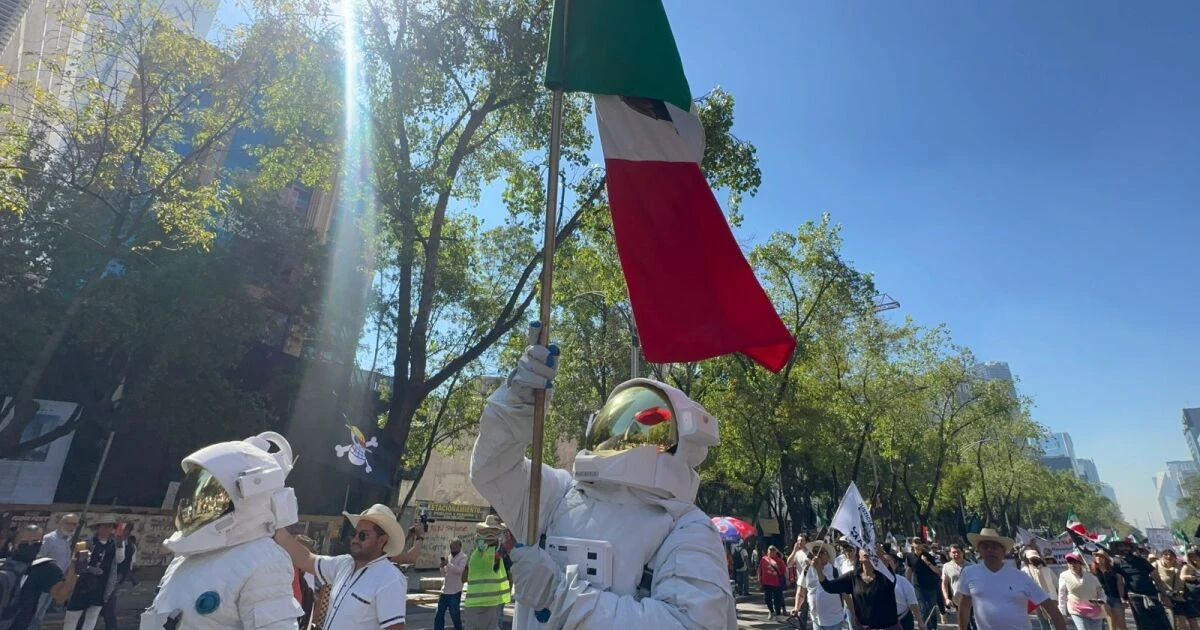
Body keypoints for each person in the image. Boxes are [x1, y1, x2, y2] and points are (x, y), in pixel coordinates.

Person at [469, 334, 735, 628]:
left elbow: (688, 623)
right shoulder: (561, 494)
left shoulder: (687, 529)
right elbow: (492, 469)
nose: (623, 437)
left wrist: (559, 596)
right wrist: (516, 402)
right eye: (618, 423)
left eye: (647, 431)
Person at [142, 431, 303, 630]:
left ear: (249, 496)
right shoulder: (186, 557)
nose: (197, 502)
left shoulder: (264, 561)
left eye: (216, 494)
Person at [276, 503, 408, 630]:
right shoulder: (344, 564)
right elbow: (306, 559)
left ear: (382, 540)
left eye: (363, 535)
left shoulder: (390, 579)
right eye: (354, 533)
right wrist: (276, 529)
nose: (355, 539)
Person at [956, 528, 1067, 630]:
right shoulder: (969, 573)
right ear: (978, 550)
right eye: (985, 546)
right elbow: (964, 607)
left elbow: (1051, 607)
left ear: (1003, 551)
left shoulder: (1020, 577)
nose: (990, 550)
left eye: (995, 547)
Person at [0, 525, 77, 630]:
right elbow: (61, 596)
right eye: (25, 543)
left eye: (35, 542)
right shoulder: (45, 567)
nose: (30, 545)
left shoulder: (3, 563)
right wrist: (74, 570)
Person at [813, 546, 900, 630]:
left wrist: (880, 555)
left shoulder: (885, 576)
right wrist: (818, 570)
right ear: (859, 556)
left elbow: (887, 569)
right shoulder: (853, 577)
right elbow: (829, 587)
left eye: (869, 548)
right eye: (863, 547)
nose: (866, 550)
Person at [63, 519, 125, 630]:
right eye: (104, 527)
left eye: (110, 527)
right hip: (83, 585)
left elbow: (120, 560)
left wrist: (120, 544)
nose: (107, 530)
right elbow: (77, 563)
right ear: (97, 528)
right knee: (72, 617)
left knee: (92, 617)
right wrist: (90, 568)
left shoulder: (115, 543)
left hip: (102, 585)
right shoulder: (87, 542)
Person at [28, 514, 78, 629]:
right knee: (34, 612)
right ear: (60, 523)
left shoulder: (68, 540)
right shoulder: (50, 539)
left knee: (41, 613)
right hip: (43, 582)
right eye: (69, 523)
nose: (72, 527)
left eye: (75, 524)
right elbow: (38, 558)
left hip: (57, 583)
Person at [1110, 540, 1172, 630]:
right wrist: (1122, 598)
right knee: (1144, 625)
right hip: (1135, 597)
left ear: (1131, 548)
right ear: (1118, 549)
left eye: (1127, 546)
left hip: (1152, 595)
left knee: (1162, 623)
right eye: (1121, 546)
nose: (1124, 548)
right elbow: (1120, 581)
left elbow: (1157, 578)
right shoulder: (1117, 563)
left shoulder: (1142, 561)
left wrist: (1164, 595)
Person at [462, 516, 510, 630]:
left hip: (472, 605)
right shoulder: (497, 556)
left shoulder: (474, 556)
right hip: (491, 605)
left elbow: (463, 578)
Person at [793, 541, 845, 630]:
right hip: (816, 620)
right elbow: (801, 592)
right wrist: (796, 607)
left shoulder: (835, 571)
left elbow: (844, 594)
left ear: (827, 556)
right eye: (815, 552)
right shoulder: (807, 570)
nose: (817, 555)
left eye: (821, 552)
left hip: (833, 620)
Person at [1058, 552, 1105, 630]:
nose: (1073, 564)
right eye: (1069, 562)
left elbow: (1100, 591)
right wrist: (1062, 611)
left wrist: (1102, 600)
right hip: (1076, 610)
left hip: (1095, 610)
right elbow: (1061, 594)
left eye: (1075, 562)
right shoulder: (1064, 576)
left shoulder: (1091, 576)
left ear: (1080, 563)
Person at [1153, 549, 1195, 630]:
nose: (1169, 557)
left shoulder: (1179, 567)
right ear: (1161, 557)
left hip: (1178, 597)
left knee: (1182, 623)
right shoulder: (1155, 566)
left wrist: (1181, 590)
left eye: (1171, 555)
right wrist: (1163, 595)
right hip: (1162, 598)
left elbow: (1182, 581)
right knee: (1168, 623)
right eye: (1165, 555)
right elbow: (1152, 581)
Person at [906, 537, 942, 630]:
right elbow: (909, 570)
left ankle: (933, 627)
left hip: (931, 586)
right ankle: (926, 627)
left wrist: (926, 562)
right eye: (916, 542)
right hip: (918, 587)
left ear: (922, 545)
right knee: (922, 609)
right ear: (912, 544)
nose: (918, 544)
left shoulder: (928, 556)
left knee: (931, 609)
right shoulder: (909, 556)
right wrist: (907, 583)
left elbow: (937, 570)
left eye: (920, 542)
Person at [1023, 548, 1060, 630]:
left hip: (1051, 599)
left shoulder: (1047, 570)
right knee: (1043, 623)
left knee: (1054, 622)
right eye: (1031, 558)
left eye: (1035, 558)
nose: (1034, 560)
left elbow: (1057, 584)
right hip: (1036, 601)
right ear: (1027, 559)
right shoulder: (1024, 571)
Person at [435, 539, 467, 630]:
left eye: (454, 547)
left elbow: (459, 570)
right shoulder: (449, 556)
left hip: (455, 591)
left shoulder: (463, 557)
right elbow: (445, 573)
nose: (453, 549)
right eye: (451, 547)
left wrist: (448, 564)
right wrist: (442, 567)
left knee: (455, 616)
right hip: (445, 590)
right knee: (439, 614)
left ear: (459, 547)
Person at [1090, 549, 1126, 630]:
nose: (1098, 558)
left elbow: (1120, 585)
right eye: (1097, 556)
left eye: (1101, 556)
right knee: (1111, 625)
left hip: (1115, 598)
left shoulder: (1113, 571)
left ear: (1106, 559)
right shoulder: (1092, 572)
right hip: (1103, 599)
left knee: (1122, 625)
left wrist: (1123, 599)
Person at [887, 552, 922, 630]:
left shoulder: (902, 581)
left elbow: (913, 603)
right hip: (884, 622)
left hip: (903, 619)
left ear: (895, 565)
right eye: (883, 561)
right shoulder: (875, 582)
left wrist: (920, 622)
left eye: (889, 561)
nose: (886, 563)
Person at [941, 544, 968, 626]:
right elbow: (944, 583)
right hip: (957, 600)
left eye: (958, 552)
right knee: (962, 623)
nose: (956, 554)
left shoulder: (971, 566)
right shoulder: (946, 566)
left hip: (972, 600)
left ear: (962, 553)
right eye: (954, 552)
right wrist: (946, 598)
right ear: (949, 554)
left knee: (973, 624)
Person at [758, 545, 786, 621]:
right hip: (766, 583)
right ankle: (771, 611)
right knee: (767, 599)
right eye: (770, 550)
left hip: (777, 583)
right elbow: (760, 569)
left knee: (778, 599)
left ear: (776, 552)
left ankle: (778, 614)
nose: (771, 551)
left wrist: (787, 580)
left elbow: (783, 571)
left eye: (773, 550)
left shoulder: (779, 561)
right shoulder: (764, 559)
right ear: (768, 551)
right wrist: (759, 579)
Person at [1179, 548, 1200, 630]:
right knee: (1193, 618)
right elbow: (1181, 577)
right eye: (1191, 557)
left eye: (1195, 556)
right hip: (1193, 595)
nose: (1193, 558)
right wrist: (1188, 577)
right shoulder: (1187, 566)